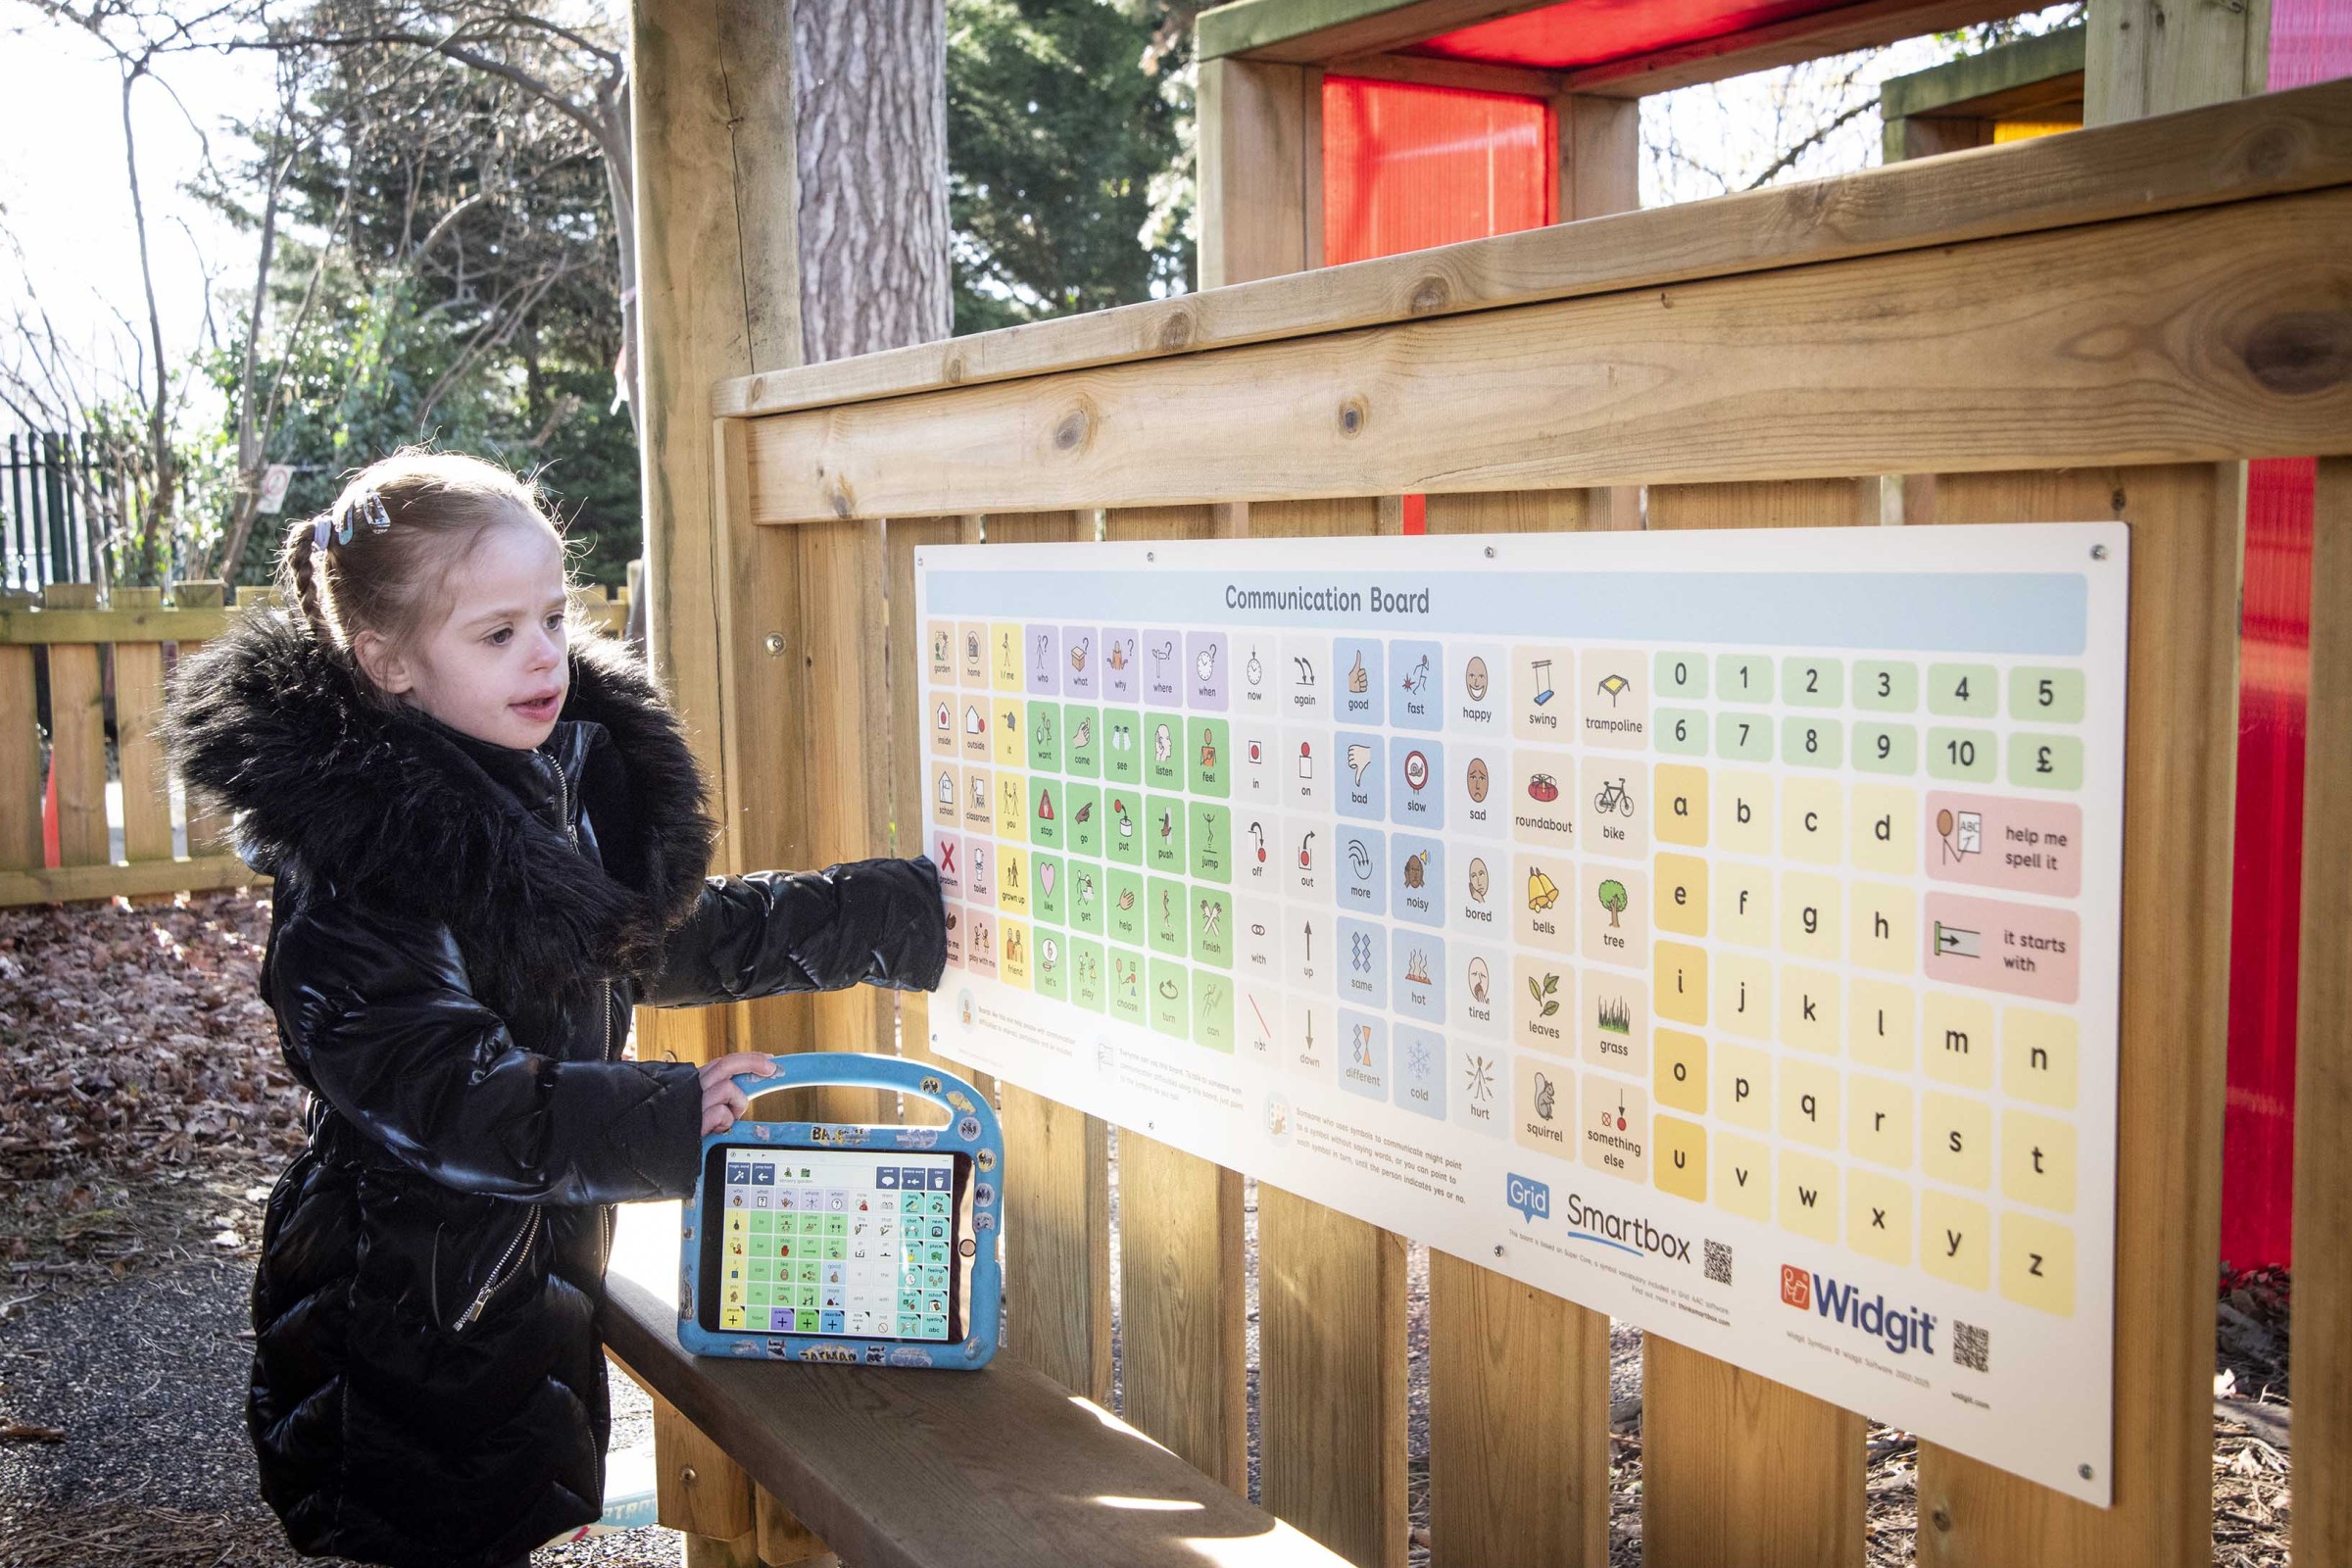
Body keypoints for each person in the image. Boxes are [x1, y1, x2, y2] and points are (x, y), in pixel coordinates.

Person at [161, 449, 947, 1568]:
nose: (546, 657)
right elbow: (438, 1090)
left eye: (552, 615)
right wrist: (653, 1118)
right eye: (497, 634)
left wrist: (893, 914)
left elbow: (655, 940)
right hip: (401, 1314)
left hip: (517, 1282)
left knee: (501, 1513)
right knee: (429, 1529)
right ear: (386, 661)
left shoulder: (538, 779)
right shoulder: (360, 864)